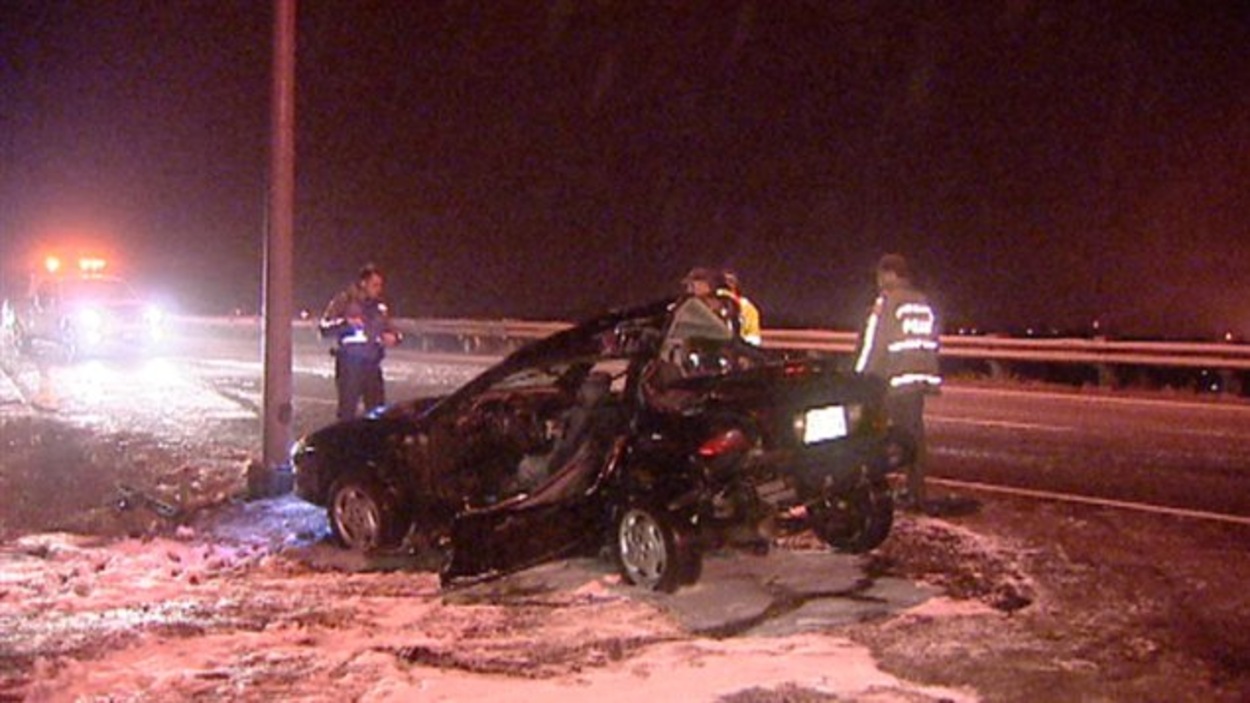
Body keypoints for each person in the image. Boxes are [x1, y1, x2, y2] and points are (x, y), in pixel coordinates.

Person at [852, 254, 941, 510]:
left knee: (870, 434)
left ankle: (873, 490)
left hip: (893, 380)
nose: (878, 281)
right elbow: (933, 339)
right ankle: (916, 491)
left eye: (880, 276)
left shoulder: (888, 302)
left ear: (890, 274)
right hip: (919, 379)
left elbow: (874, 346)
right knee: (914, 436)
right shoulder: (922, 302)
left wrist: (858, 377)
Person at [319, 264, 402, 421]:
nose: (379, 289)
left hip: (373, 365)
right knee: (347, 413)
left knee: (377, 414)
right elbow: (324, 328)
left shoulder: (380, 307)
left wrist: (394, 338)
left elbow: (392, 330)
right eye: (375, 285)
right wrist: (346, 323)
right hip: (349, 366)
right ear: (363, 283)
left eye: (380, 285)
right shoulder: (344, 300)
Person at [716, 270, 762, 346]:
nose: (727, 284)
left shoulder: (747, 308)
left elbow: (752, 340)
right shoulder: (708, 306)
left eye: (730, 281)